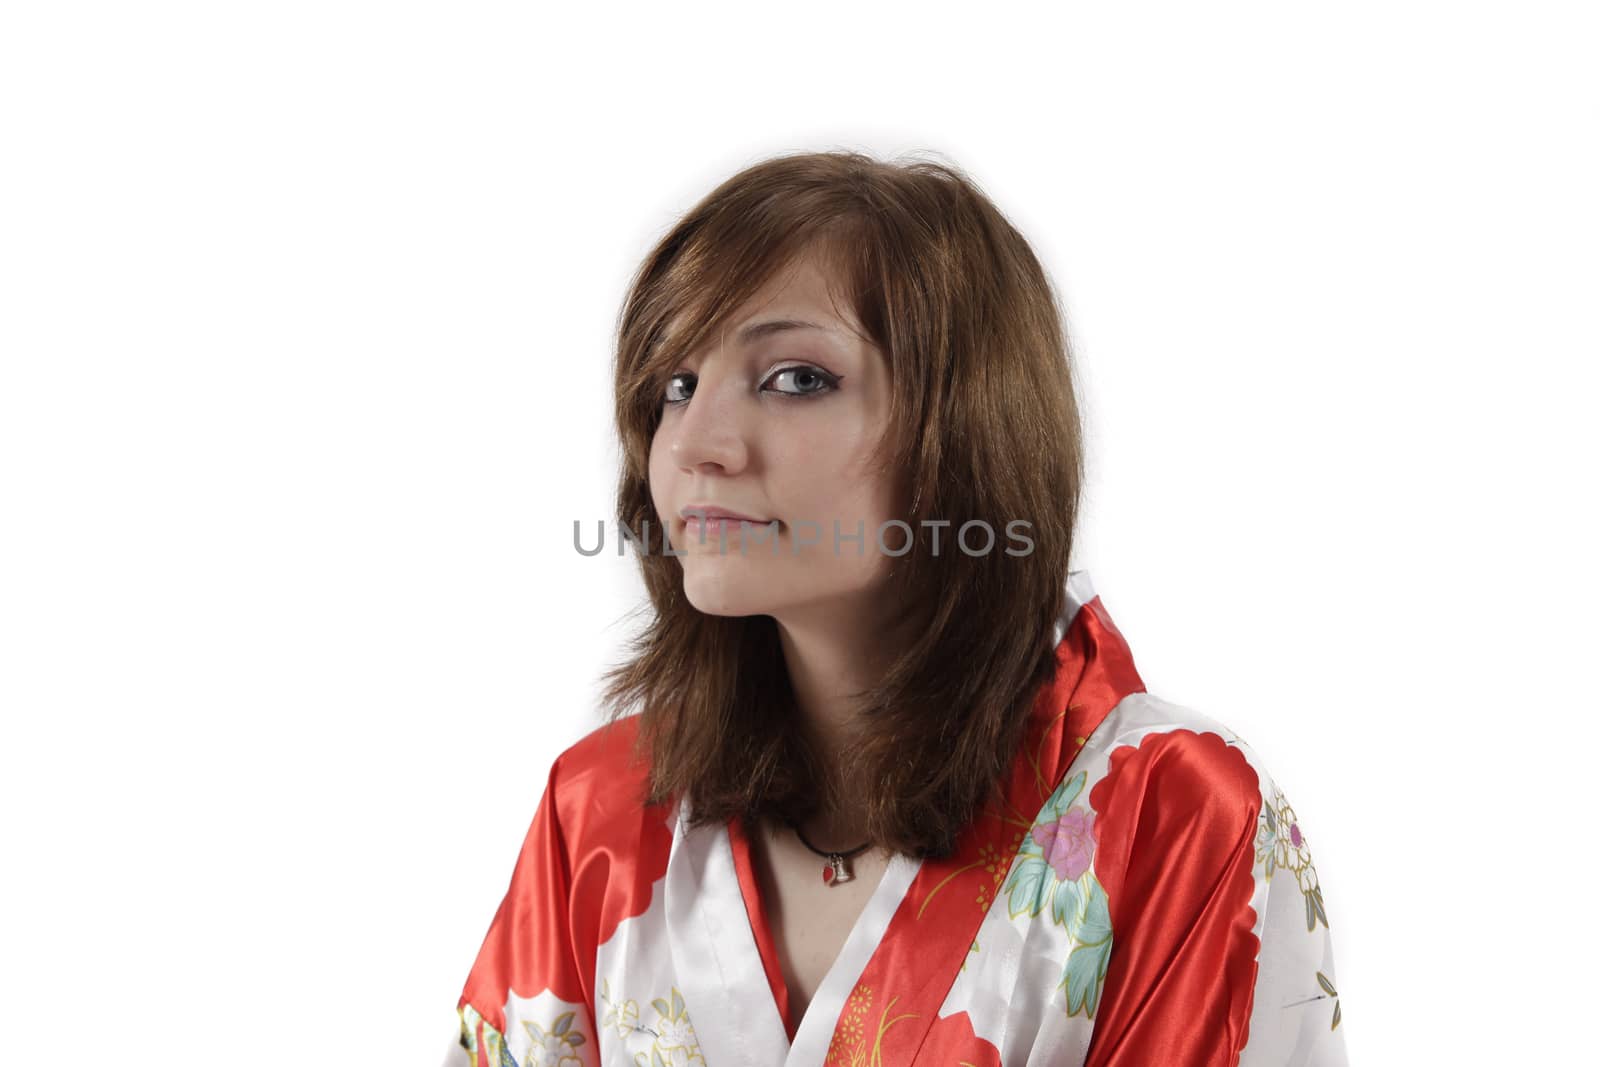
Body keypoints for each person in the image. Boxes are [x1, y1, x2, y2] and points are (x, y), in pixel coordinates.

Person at [445, 150, 1348, 1066]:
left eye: (795, 378)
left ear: (963, 423)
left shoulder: (1173, 810)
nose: (695, 444)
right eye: (674, 385)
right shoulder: (596, 811)